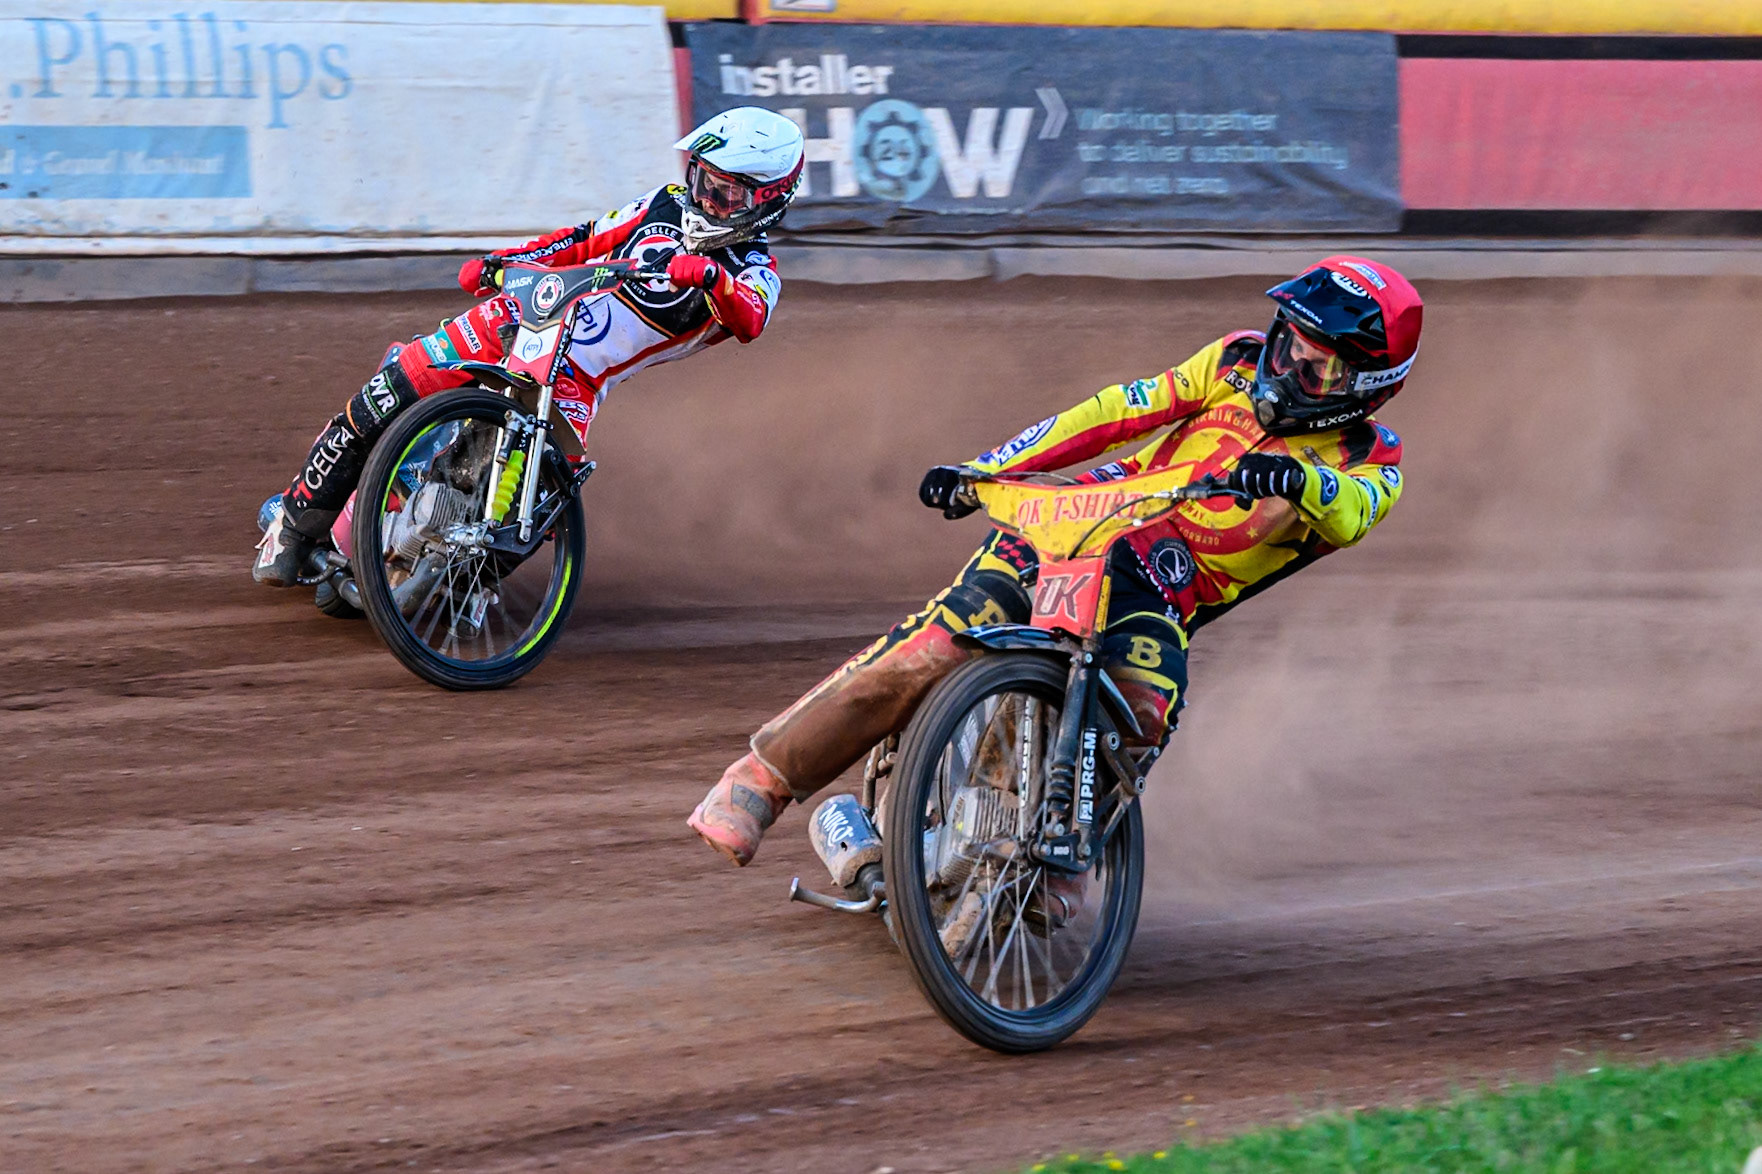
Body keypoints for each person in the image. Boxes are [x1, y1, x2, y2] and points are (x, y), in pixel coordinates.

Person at [688, 256, 1424, 866]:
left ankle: (1061, 863)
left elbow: (1354, 509)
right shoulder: (1232, 360)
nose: (1289, 366)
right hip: (1076, 524)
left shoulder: (1369, 458)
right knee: (934, 645)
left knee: (1146, 710)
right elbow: (1113, 413)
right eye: (1287, 342)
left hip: (1160, 592)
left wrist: (1302, 480)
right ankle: (761, 780)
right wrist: (985, 470)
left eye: (1318, 366)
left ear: (1365, 388)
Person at [254, 107, 806, 586]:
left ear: (770, 200)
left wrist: (710, 277)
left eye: (727, 190)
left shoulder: (755, 271)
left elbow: (750, 317)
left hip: (574, 379)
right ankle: (294, 524)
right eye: (702, 179)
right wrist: (503, 261)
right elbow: (582, 239)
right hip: (521, 313)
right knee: (391, 389)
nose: (706, 196)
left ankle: (446, 584)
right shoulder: (662, 202)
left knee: (539, 503)